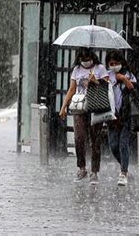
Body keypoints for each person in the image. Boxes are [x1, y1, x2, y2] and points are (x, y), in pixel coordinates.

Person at [59, 47, 109, 185]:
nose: (86, 62)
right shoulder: (76, 70)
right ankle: (82, 167)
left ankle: (94, 170)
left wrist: (95, 82)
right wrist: (64, 106)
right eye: (83, 60)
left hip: (95, 106)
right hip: (80, 106)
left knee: (95, 139)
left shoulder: (100, 68)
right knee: (79, 137)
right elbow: (72, 89)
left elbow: (107, 86)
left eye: (88, 59)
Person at [105, 50, 136, 186]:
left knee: (123, 143)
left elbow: (134, 88)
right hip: (112, 116)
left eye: (116, 63)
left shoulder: (128, 74)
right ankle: (125, 165)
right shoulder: (106, 75)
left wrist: (123, 78)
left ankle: (123, 172)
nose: (114, 65)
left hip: (126, 115)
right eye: (111, 63)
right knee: (113, 145)